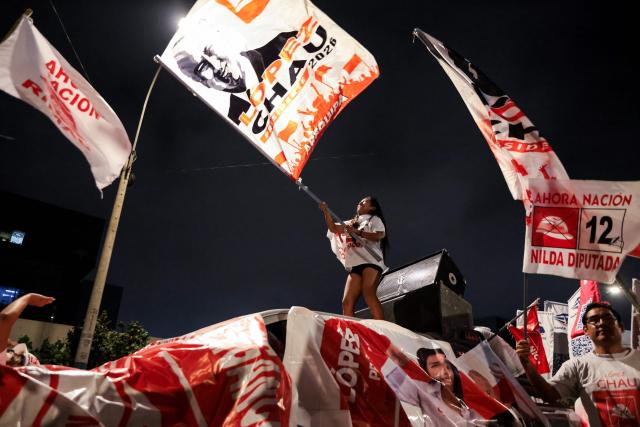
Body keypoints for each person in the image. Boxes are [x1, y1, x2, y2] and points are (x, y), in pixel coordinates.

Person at [516, 302, 640, 426]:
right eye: (594, 320)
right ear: (585, 330)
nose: (601, 323)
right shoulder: (577, 366)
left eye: (607, 318)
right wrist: (527, 364)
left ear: (621, 327)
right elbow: (552, 397)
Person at [320, 196, 388, 319]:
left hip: (370, 261)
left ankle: (382, 328)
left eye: (364, 202)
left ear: (372, 207)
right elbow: (334, 228)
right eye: (359, 201)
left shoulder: (374, 219)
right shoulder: (351, 223)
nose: (360, 203)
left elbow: (379, 235)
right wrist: (326, 211)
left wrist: (358, 232)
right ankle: (351, 332)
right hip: (355, 264)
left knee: (368, 292)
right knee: (346, 302)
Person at [0, 293, 54, 367]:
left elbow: (5, 318)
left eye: (21, 357)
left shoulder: (2, 363)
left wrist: (29, 298)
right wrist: (10, 342)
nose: (16, 354)